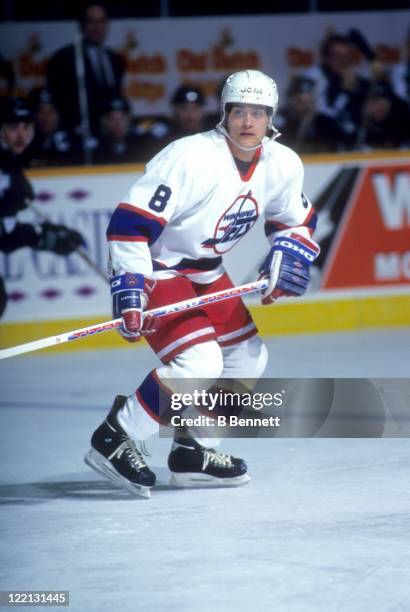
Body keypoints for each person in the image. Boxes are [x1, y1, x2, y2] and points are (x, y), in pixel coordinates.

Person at [84, 70, 320, 498]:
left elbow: (296, 220)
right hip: (161, 267)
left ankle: (192, 449)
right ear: (225, 114)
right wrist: (131, 284)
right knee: (199, 364)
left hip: (208, 269)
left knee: (248, 359)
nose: (249, 121)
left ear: (271, 118)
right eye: (240, 111)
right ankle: (115, 436)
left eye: (258, 113)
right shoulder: (189, 157)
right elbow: (129, 225)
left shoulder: (283, 163)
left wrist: (289, 250)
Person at [0, 97, 86, 318]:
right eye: (12, 128)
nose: (21, 135)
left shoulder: (11, 165)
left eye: (26, 127)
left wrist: (39, 237)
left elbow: (5, 237)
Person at [46, 3, 125, 143]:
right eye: (91, 22)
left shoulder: (115, 60)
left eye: (101, 21)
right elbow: (58, 101)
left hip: (109, 136)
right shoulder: (64, 59)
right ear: (82, 25)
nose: (97, 27)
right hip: (77, 135)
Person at [135, 85, 213, 160]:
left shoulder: (212, 138)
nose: (190, 115)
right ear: (175, 110)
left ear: (203, 111)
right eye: (184, 108)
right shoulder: (162, 140)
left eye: (195, 108)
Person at [27, 88, 81, 167]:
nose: (45, 118)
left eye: (51, 112)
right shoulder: (27, 139)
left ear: (59, 115)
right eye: (40, 111)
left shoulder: (72, 140)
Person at [93, 96, 144, 164]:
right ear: (104, 121)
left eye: (122, 119)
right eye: (112, 119)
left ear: (129, 119)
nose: (117, 124)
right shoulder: (96, 148)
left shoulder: (141, 144)